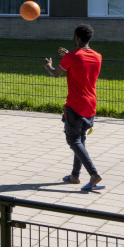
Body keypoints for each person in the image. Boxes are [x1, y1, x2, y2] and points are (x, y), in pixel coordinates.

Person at [44, 23, 104, 192]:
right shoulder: (97, 56)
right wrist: (68, 55)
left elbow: (56, 73)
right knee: (81, 140)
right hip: (91, 105)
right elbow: (80, 61)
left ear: (77, 37)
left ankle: (93, 174)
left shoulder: (72, 57)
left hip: (75, 105)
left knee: (73, 140)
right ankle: (74, 176)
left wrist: (47, 65)